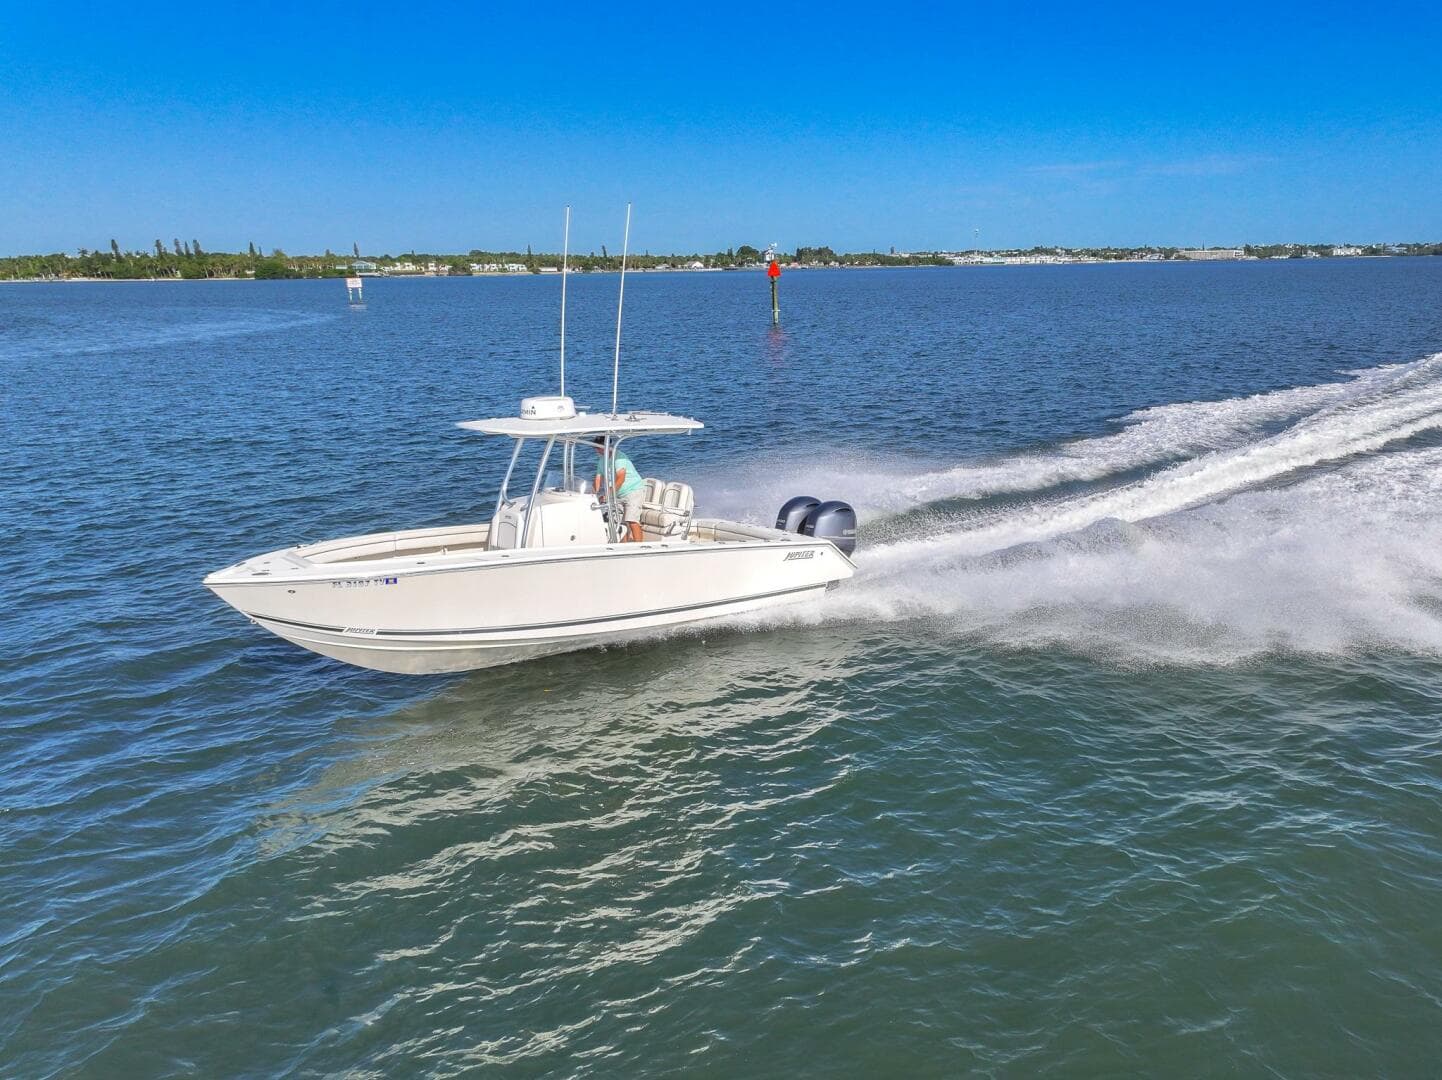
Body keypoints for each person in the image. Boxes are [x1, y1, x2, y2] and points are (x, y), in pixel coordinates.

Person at [590, 438, 646, 542]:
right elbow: (597, 480)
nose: (596, 451)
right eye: (595, 448)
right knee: (619, 523)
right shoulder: (602, 460)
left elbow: (621, 478)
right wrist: (591, 495)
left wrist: (608, 494)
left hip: (633, 490)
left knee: (631, 520)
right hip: (618, 494)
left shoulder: (619, 457)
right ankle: (623, 547)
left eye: (598, 448)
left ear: (605, 446)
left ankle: (640, 547)